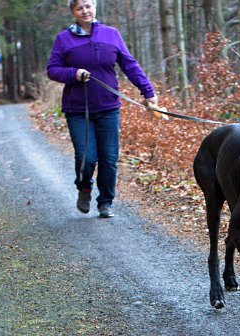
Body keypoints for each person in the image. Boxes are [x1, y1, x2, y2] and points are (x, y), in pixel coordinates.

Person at [47, 0, 159, 218]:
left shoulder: (111, 34)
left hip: (108, 107)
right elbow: (52, 70)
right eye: (79, 8)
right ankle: (84, 187)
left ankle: (105, 202)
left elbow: (130, 65)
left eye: (88, 6)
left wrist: (148, 92)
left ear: (94, 7)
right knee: (86, 158)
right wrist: (73, 74)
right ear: (73, 11)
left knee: (108, 158)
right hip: (78, 110)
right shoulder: (64, 39)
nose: (84, 11)